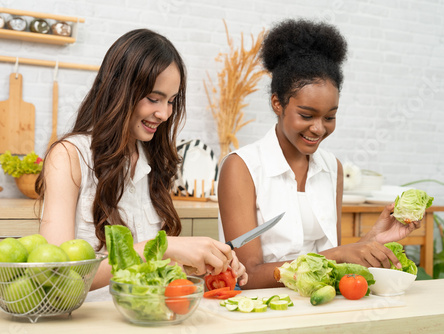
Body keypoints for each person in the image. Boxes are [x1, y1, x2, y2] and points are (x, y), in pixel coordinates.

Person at [36, 29, 247, 300]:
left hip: (148, 317)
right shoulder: (69, 156)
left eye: (171, 101)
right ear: (118, 89)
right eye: (153, 98)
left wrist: (208, 267)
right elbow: (55, 274)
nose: (164, 113)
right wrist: (161, 247)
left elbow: (155, 270)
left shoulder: (154, 160)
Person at [217, 19, 421, 289]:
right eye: (306, 115)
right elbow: (248, 276)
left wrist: (373, 240)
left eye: (330, 117)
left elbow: (329, 259)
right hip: (262, 314)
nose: (318, 128)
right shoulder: (242, 167)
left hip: (321, 306)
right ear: (277, 103)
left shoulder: (330, 167)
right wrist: (337, 255)